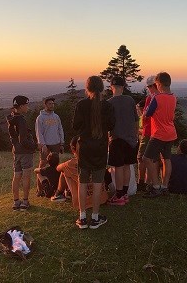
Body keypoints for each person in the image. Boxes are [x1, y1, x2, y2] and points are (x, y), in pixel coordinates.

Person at [72, 76, 115, 229]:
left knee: (82, 183)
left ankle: (82, 217)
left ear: (87, 88)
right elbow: (111, 125)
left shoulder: (81, 105)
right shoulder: (107, 106)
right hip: (101, 148)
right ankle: (95, 218)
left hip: (84, 148)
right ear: (102, 88)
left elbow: (75, 126)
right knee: (98, 183)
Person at [142, 72, 178, 198]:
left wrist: (143, 110)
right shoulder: (173, 97)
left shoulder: (157, 98)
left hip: (158, 134)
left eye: (156, 84)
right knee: (166, 159)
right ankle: (164, 186)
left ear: (159, 84)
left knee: (146, 158)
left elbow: (147, 114)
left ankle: (156, 186)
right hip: (170, 133)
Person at [107, 76, 139, 205]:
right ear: (123, 87)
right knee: (127, 166)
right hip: (131, 140)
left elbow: (108, 124)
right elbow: (136, 120)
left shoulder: (109, 103)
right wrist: (135, 135)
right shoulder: (130, 100)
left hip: (117, 139)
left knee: (118, 167)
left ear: (111, 87)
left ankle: (119, 195)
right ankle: (124, 194)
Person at [52, 136, 109, 208]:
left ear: (73, 148)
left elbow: (58, 168)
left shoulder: (71, 163)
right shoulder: (96, 159)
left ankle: (58, 194)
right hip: (102, 199)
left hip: (84, 202)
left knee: (64, 171)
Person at [6, 95, 37, 211]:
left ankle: (16, 202)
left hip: (16, 151)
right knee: (26, 176)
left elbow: (13, 137)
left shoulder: (11, 118)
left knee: (17, 176)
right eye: (26, 105)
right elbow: (23, 140)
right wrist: (34, 146)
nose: (28, 107)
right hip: (25, 152)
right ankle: (25, 201)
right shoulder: (21, 120)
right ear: (22, 106)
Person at [35, 97, 65, 195]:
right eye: (50, 104)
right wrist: (42, 144)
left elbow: (60, 129)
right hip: (46, 145)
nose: (52, 105)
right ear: (45, 105)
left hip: (56, 143)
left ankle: (56, 186)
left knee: (55, 166)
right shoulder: (40, 118)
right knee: (42, 165)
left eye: (53, 104)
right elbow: (39, 132)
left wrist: (61, 143)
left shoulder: (56, 116)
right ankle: (40, 189)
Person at [136, 75, 159, 192]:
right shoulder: (162, 97)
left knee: (141, 158)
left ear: (152, 86)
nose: (148, 89)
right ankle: (149, 182)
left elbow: (145, 115)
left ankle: (142, 182)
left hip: (148, 131)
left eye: (149, 86)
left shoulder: (151, 98)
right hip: (157, 133)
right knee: (153, 159)